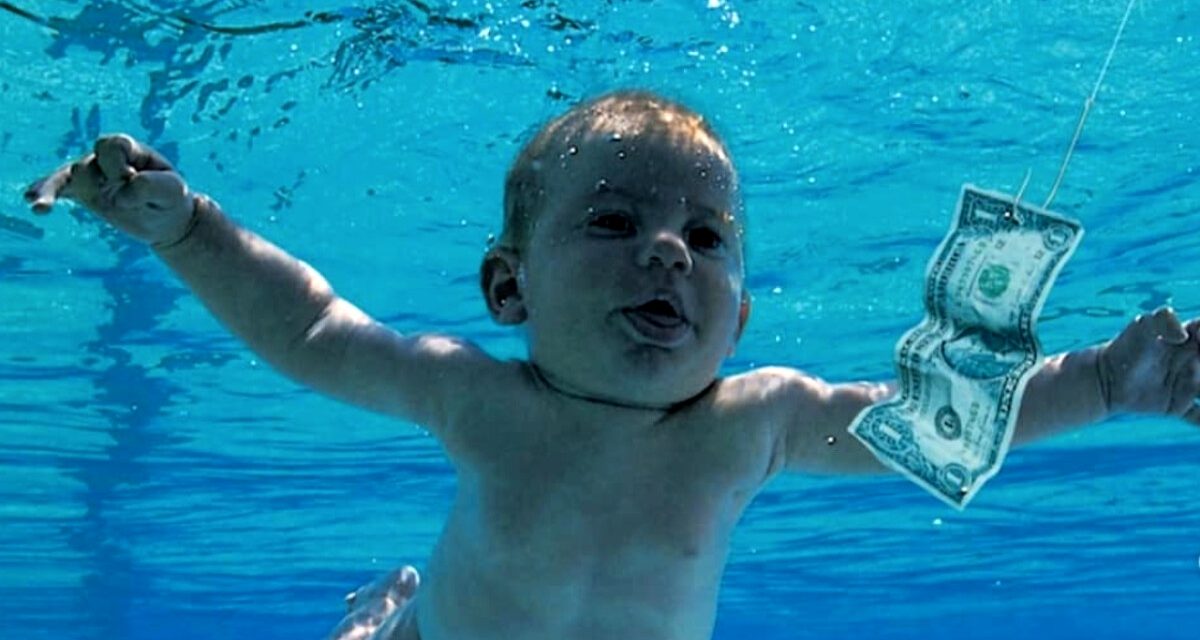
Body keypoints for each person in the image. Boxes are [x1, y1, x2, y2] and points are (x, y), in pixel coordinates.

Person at [24, 90, 1200, 640]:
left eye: (707, 239)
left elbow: (929, 423)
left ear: (738, 320)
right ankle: (388, 615)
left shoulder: (757, 419)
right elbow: (313, 328)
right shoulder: (476, 394)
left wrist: (1107, 381)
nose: (668, 252)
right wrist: (189, 230)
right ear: (510, 289)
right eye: (612, 221)